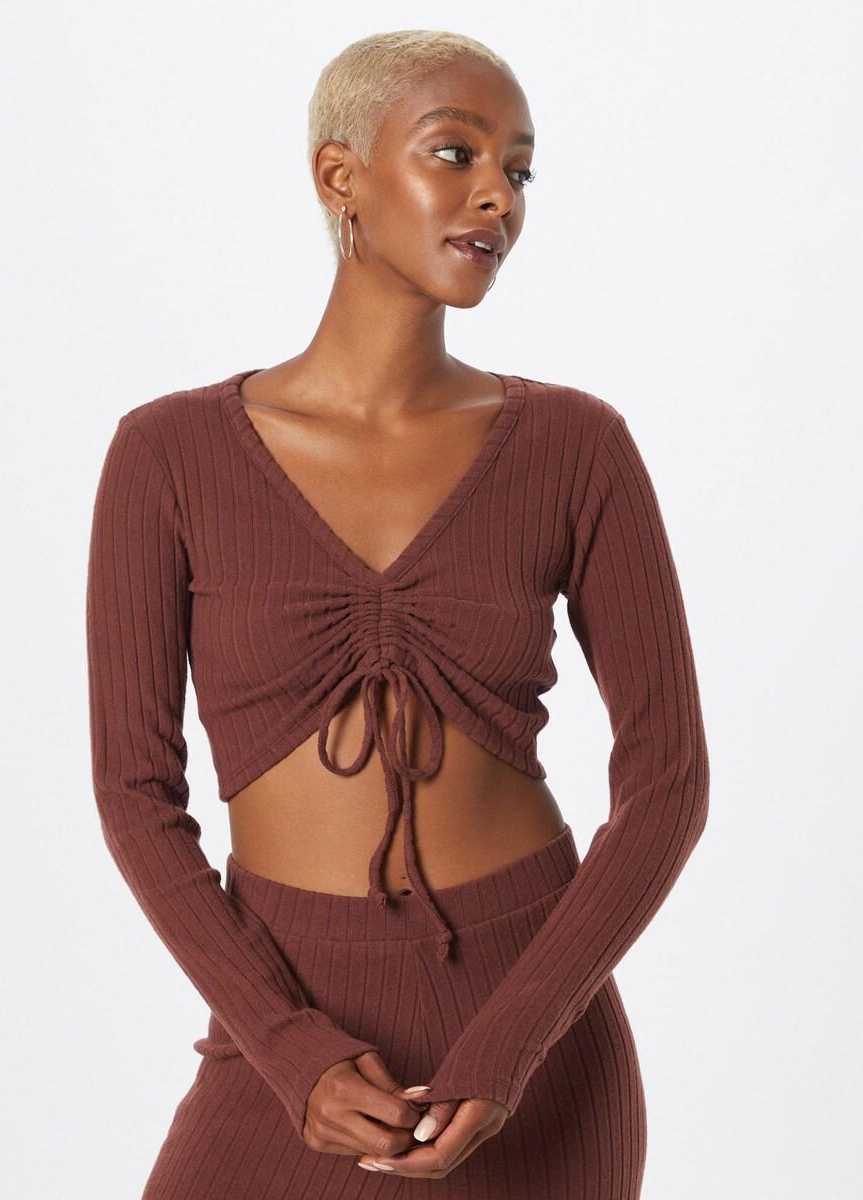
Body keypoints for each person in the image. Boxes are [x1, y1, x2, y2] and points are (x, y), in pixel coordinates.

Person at [85, 29, 710, 1200]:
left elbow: (669, 780)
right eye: (455, 152)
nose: (499, 196)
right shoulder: (167, 455)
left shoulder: (577, 447)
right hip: (286, 1023)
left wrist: (515, 1040)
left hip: (540, 1043)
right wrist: (285, 1046)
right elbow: (134, 794)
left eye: (519, 169)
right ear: (341, 174)